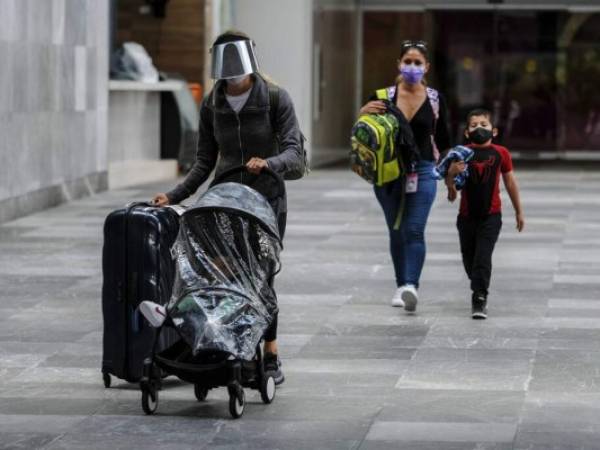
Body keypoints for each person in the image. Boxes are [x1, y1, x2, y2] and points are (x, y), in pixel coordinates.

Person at [151, 30, 304, 384]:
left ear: (250, 62)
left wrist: (269, 163)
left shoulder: (275, 99)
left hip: (266, 201)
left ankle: (270, 354)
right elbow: (204, 161)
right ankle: (216, 341)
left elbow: (295, 153)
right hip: (223, 199)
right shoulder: (212, 103)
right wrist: (174, 196)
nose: (232, 77)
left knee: (260, 274)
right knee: (213, 270)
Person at [359, 40, 452, 313]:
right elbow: (364, 135)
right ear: (399, 64)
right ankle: (401, 284)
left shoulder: (435, 99)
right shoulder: (382, 96)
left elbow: (444, 139)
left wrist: (449, 175)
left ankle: (411, 285)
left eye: (418, 62)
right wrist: (362, 115)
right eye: (407, 61)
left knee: (414, 228)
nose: (412, 67)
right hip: (389, 173)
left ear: (427, 67)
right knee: (396, 230)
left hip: (423, 170)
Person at [445, 108, 524, 319]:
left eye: (483, 125)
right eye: (474, 126)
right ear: (467, 133)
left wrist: (519, 210)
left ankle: (479, 297)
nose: (479, 128)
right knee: (468, 257)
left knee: (482, 257)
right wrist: (451, 177)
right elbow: (452, 191)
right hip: (466, 217)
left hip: (491, 216)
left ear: (494, 131)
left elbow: (510, 181)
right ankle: (478, 283)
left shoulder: (501, 153)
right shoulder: (460, 153)